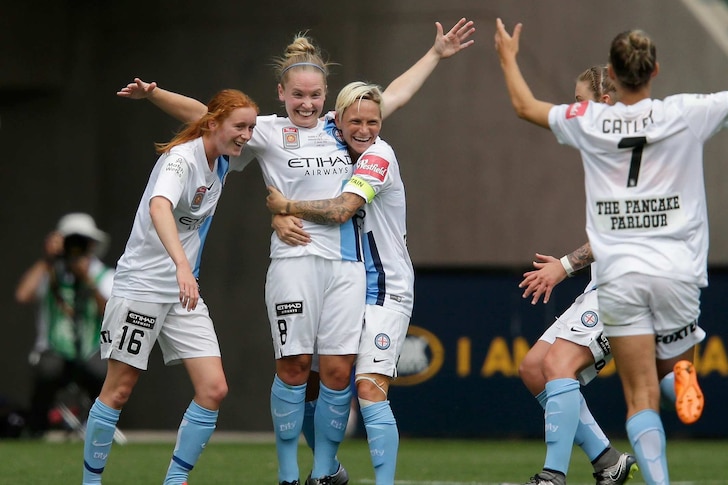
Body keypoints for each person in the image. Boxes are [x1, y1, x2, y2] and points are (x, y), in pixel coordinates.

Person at [117, 19, 475, 485]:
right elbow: (208, 116)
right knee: (293, 367)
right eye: (298, 96)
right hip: (292, 263)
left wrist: (435, 54)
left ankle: (324, 472)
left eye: (315, 95)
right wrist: (155, 95)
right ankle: (288, 474)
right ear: (282, 93)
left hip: (348, 268)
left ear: (326, 96)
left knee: (337, 372)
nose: (307, 104)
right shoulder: (265, 131)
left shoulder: (342, 126)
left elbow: (393, 97)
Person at [495, 12, 728, 485]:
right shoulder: (685, 112)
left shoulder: (591, 122)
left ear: (611, 76)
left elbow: (524, 106)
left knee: (638, 399)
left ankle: (637, 460)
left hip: (620, 278)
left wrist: (509, 58)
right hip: (677, 272)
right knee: (645, 371)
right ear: (654, 71)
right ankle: (679, 376)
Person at [81, 89, 259, 485]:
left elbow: (200, 111)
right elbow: (159, 206)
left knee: (213, 389)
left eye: (251, 127)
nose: (247, 135)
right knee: (119, 390)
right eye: (240, 126)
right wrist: (182, 264)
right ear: (215, 125)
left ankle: (174, 482)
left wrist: (154, 93)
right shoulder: (181, 159)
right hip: (142, 286)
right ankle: (90, 482)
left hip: (182, 293)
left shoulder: (225, 158)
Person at [266, 81, 411, 485]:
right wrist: (435, 53)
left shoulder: (378, 156)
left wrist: (286, 208)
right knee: (314, 377)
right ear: (340, 120)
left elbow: (345, 209)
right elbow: (393, 94)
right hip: (345, 276)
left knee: (368, 389)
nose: (365, 129)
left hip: (385, 285)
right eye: (357, 122)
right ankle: (326, 472)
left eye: (373, 122)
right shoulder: (331, 132)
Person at [515, 67, 636, 485]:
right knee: (534, 368)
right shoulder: (604, 148)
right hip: (604, 281)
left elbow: (620, 230)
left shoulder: (625, 152)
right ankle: (607, 461)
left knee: (559, 363)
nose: (572, 109)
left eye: (578, 99)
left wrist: (563, 266)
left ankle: (553, 475)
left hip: (629, 284)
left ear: (603, 103)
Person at [15, 213, 114, 438]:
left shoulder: (104, 276)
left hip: (92, 352)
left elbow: (112, 315)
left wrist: (87, 278)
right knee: (48, 368)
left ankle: (97, 426)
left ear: (92, 244)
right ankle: (37, 427)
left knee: (105, 370)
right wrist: (47, 259)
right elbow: (23, 295)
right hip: (54, 352)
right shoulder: (50, 273)